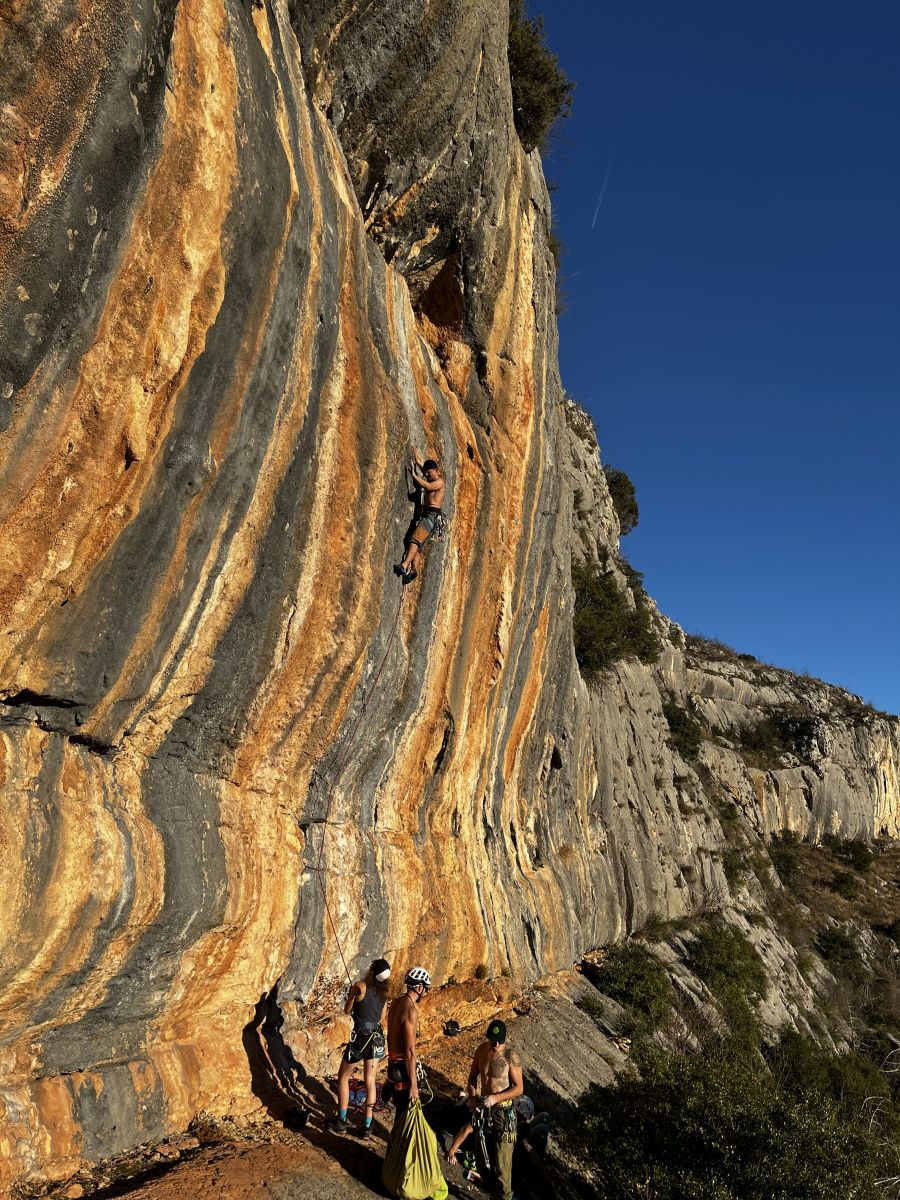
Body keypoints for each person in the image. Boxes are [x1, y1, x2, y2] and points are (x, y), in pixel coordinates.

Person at [448, 1019, 522, 1200]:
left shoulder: (511, 1056)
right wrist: (473, 1099)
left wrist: (496, 1098)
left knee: (502, 1168)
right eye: (493, 1040)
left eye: (499, 1041)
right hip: (483, 1110)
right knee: (482, 1161)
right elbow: (472, 1078)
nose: (495, 1044)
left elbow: (519, 1088)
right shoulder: (481, 1050)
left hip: (503, 1113)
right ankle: (493, 1193)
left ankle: (504, 1196)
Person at [325, 958, 391, 1139]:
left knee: (343, 1077)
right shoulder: (384, 994)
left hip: (360, 1039)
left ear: (372, 971)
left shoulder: (360, 986)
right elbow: (381, 1018)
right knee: (370, 1081)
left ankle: (341, 1121)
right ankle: (367, 1127)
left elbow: (347, 1010)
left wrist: (352, 996)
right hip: (375, 1038)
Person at [385, 966, 431, 1125]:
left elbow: (390, 1037)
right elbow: (410, 1051)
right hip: (402, 1070)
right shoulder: (411, 1010)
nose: (426, 993)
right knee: (404, 1117)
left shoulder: (396, 1003)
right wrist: (413, 1085)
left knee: (399, 1114)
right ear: (419, 987)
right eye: (426, 989)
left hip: (393, 1065)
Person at [394, 450, 445, 584]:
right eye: (426, 473)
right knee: (418, 545)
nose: (427, 475)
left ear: (436, 470)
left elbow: (429, 486)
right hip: (428, 516)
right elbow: (421, 463)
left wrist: (413, 475)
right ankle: (413, 571)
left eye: (429, 473)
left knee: (415, 540)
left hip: (431, 517)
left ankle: (404, 566)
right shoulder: (431, 476)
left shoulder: (439, 482)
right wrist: (415, 451)